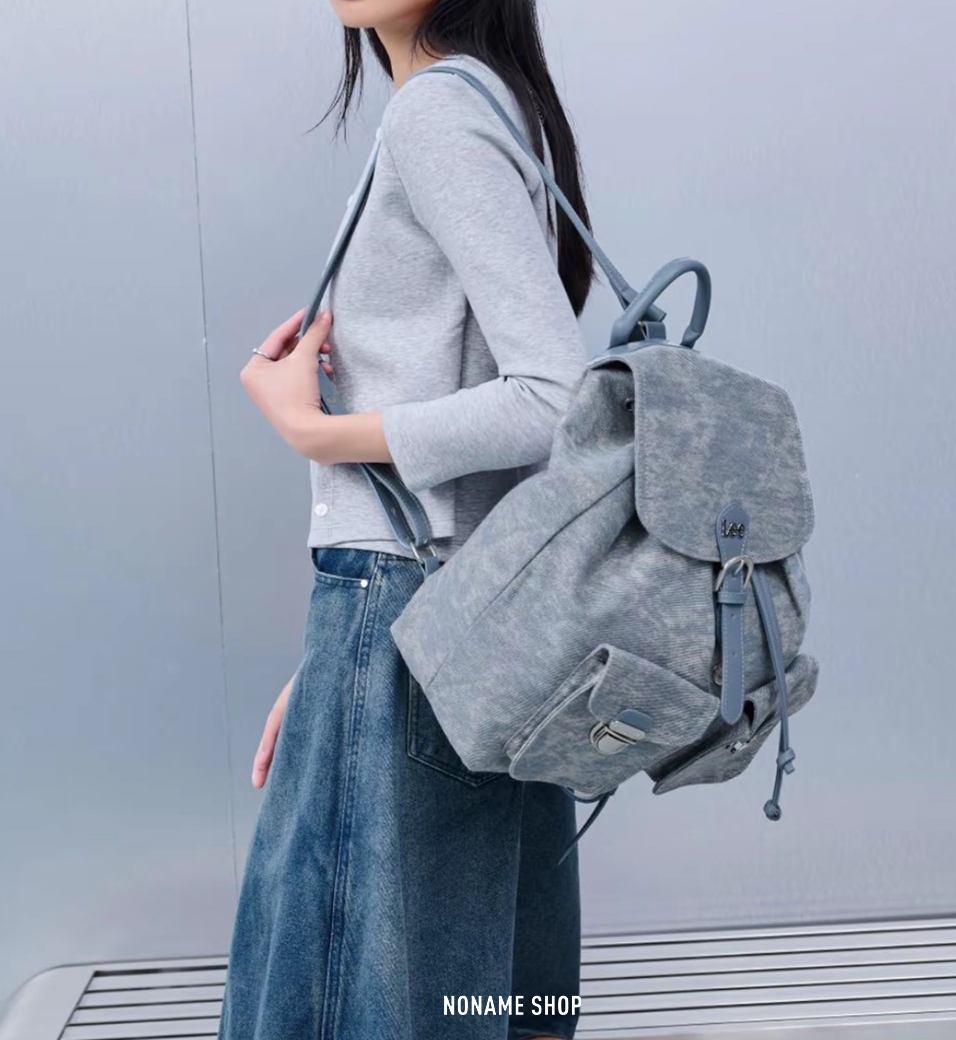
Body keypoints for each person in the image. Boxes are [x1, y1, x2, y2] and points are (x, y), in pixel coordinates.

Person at [220, 1, 595, 1037]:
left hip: (408, 613)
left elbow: (552, 397)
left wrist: (316, 431)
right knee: (479, 995)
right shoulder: (490, 104)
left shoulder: (436, 114)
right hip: (453, 619)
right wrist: (335, 660)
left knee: (351, 1004)